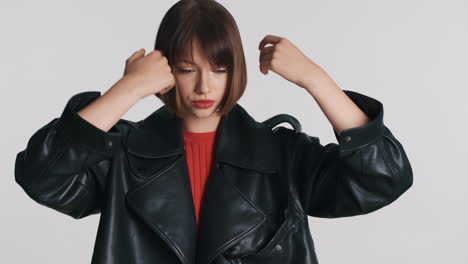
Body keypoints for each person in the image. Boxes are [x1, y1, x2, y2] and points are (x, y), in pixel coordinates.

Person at [14, 0, 413, 263]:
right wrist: (128, 90)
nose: (204, 87)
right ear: (166, 70)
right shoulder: (124, 156)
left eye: (219, 70)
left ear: (235, 70)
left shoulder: (282, 156)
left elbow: (384, 178)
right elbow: (41, 177)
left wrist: (317, 81)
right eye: (187, 69)